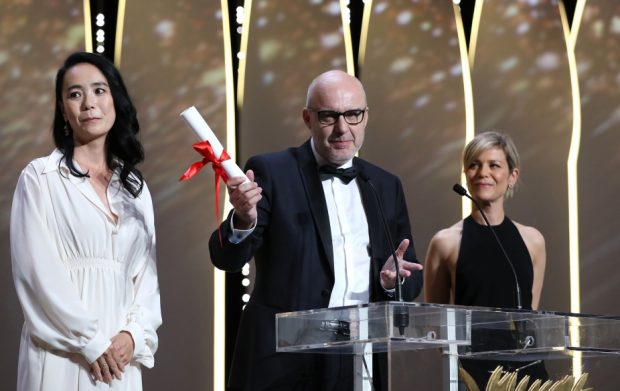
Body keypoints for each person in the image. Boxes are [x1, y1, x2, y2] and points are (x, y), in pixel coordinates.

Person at [209, 70, 423, 390]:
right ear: (307, 119)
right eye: (328, 116)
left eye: (353, 114)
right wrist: (242, 219)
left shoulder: (385, 185)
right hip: (285, 362)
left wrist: (392, 283)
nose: (342, 128)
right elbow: (226, 258)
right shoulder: (273, 171)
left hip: (359, 356)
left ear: (365, 117)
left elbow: (412, 275)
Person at [10, 52, 161, 391]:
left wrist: (132, 336)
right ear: (63, 109)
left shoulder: (135, 189)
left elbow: (146, 282)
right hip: (62, 356)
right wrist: (90, 342)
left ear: (115, 100)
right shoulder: (40, 179)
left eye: (99, 90)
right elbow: (37, 275)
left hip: (120, 363)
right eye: (75, 94)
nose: (88, 103)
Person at [424, 131, 547, 388]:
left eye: (494, 165)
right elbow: (438, 327)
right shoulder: (446, 242)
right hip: (474, 375)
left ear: (512, 176)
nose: (483, 172)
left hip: (529, 374)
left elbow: (530, 314)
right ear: (466, 175)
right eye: (474, 165)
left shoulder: (533, 241)